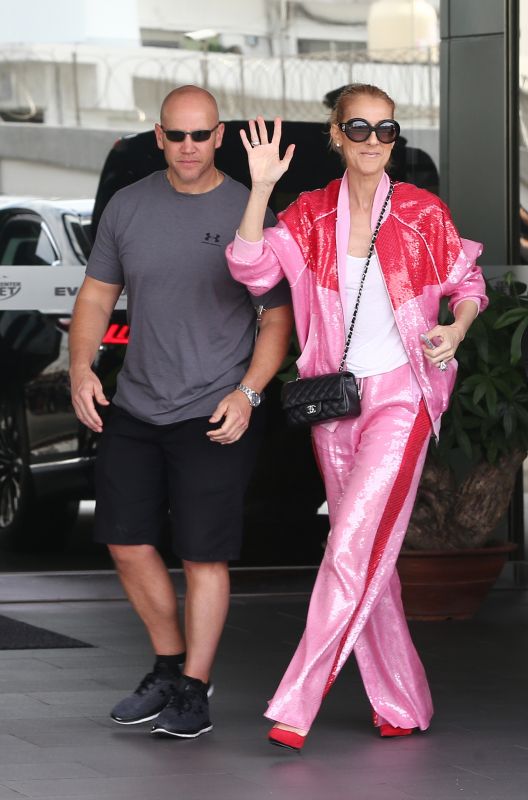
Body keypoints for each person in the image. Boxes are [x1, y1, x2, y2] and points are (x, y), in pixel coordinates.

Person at [226, 83, 488, 750]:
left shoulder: (423, 213)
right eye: (359, 128)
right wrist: (259, 190)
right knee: (368, 555)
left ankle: (297, 700)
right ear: (336, 136)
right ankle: (402, 701)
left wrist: (455, 331)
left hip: (402, 399)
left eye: (386, 129)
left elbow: (468, 286)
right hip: (335, 405)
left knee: (348, 548)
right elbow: (250, 268)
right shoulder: (310, 215)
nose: (374, 140)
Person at [69, 85, 292, 740]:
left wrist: (248, 393)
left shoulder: (250, 209)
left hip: (213, 406)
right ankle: (167, 665)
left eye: (201, 135)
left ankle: (194, 686)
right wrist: (81, 365)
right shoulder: (128, 206)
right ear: (159, 137)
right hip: (137, 402)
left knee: (202, 554)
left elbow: (276, 318)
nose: (189, 146)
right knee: (125, 541)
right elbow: (94, 297)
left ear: (218, 136)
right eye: (177, 135)